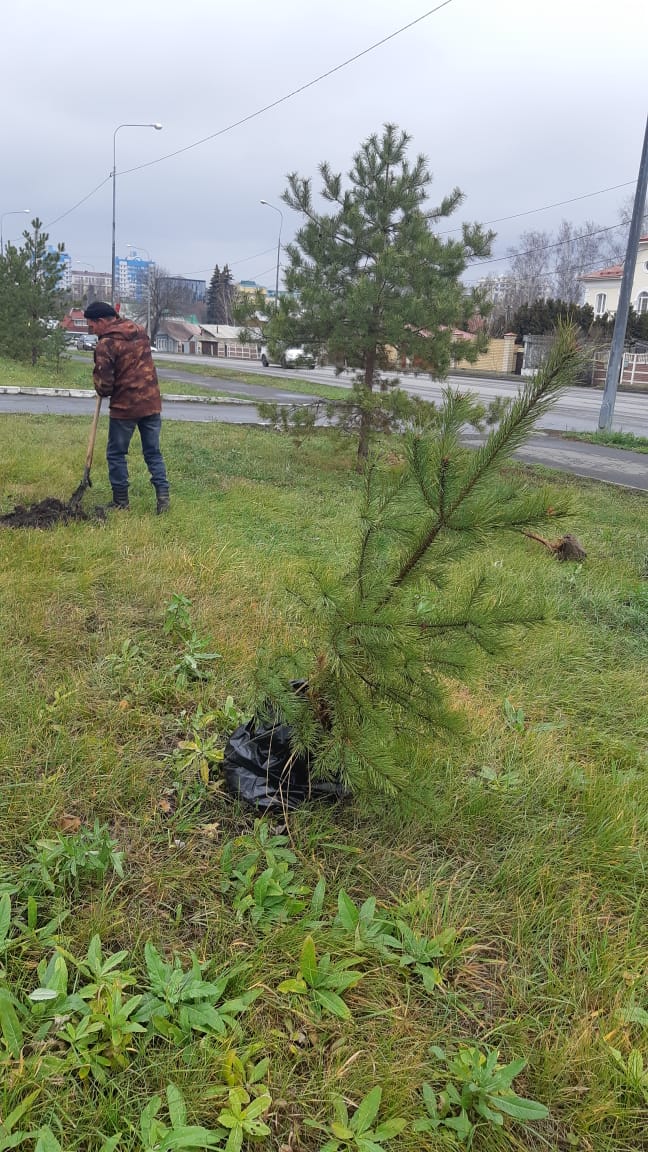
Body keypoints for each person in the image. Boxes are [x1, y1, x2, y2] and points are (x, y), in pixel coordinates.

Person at [83, 301, 170, 513]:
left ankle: (121, 502)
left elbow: (105, 386)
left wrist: (100, 386)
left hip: (125, 407)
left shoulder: (106, 344)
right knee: (153, 453)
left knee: (116, 454)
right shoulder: (139, 331)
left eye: (92, 326)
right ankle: (163, 499)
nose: (92, 331)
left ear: (101, 321)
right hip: (151, 403)